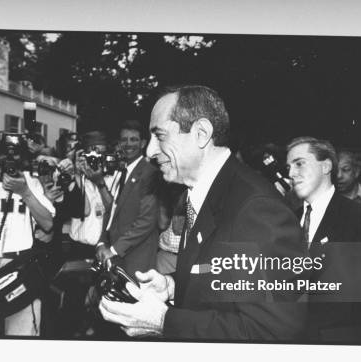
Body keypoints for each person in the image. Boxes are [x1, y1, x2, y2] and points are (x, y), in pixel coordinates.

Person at [99, 85, 306, 341]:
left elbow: (273, 330)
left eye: (160, 136)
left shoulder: (256, 209)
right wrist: (172, 286)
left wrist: (164, 321)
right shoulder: (206, 192)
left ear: (201, 133)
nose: (149, 151)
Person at [286, 137, 361, 342]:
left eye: (299, 164)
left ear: (326, 166)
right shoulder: (289, 219)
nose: (291, 174)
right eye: (288, 167)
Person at [0, 133, 56, 336]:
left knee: (22, 334)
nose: (10, 160)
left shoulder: (31, 184)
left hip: (18, 270)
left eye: (16, 155)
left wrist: (25, 192)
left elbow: (47, 224)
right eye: (3, 155)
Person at [95, 120, 160, 276]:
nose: (128, 144)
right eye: (124, 140)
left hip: (136, 259)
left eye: (134, 139)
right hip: (115, 256)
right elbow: (112, 212)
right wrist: (102, 242)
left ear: (143, 143)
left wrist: (114, 250)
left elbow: (146, 222)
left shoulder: (150, 173)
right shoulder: (121, 171)